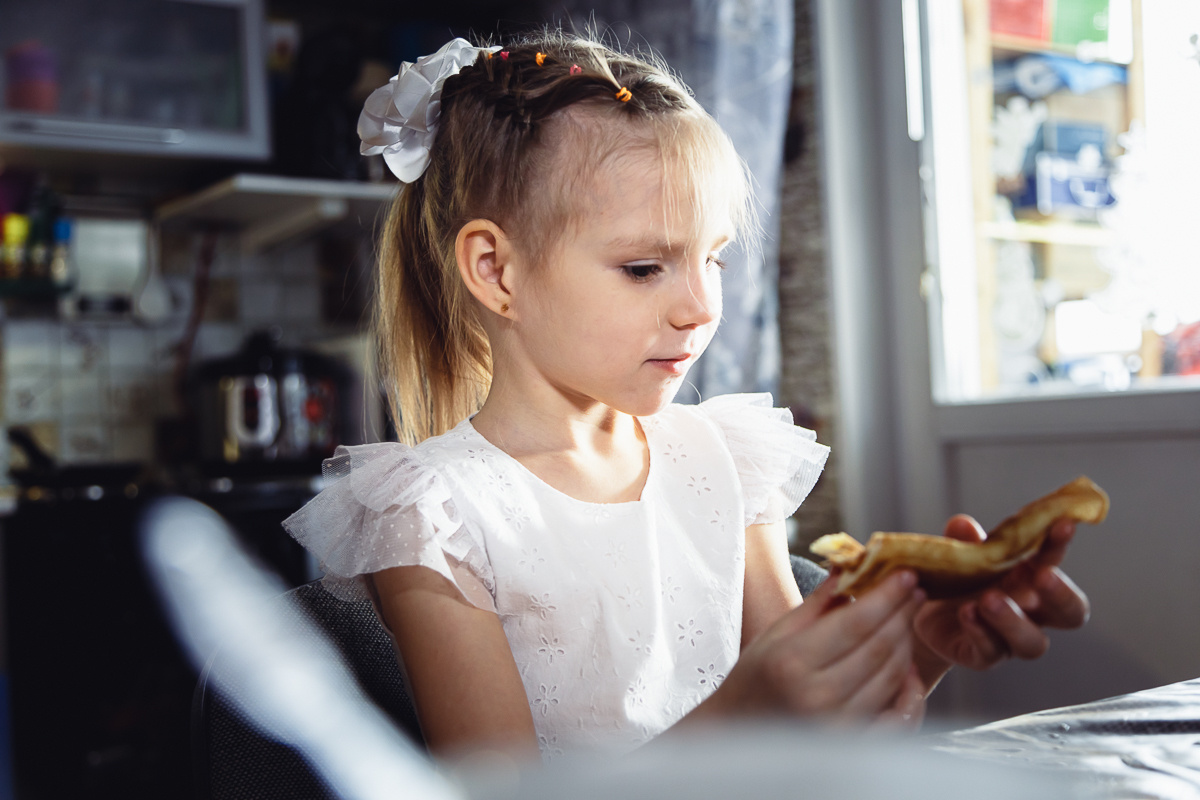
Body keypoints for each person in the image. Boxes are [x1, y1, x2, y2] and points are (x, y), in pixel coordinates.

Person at [283, 31, 1089, 762]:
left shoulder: (723, 459)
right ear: (496, 271)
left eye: (716, 259)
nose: (701, 308)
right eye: (644, 268)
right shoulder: (434, 516)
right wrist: (747, 707)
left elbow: (817, 741)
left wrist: (924, 647)